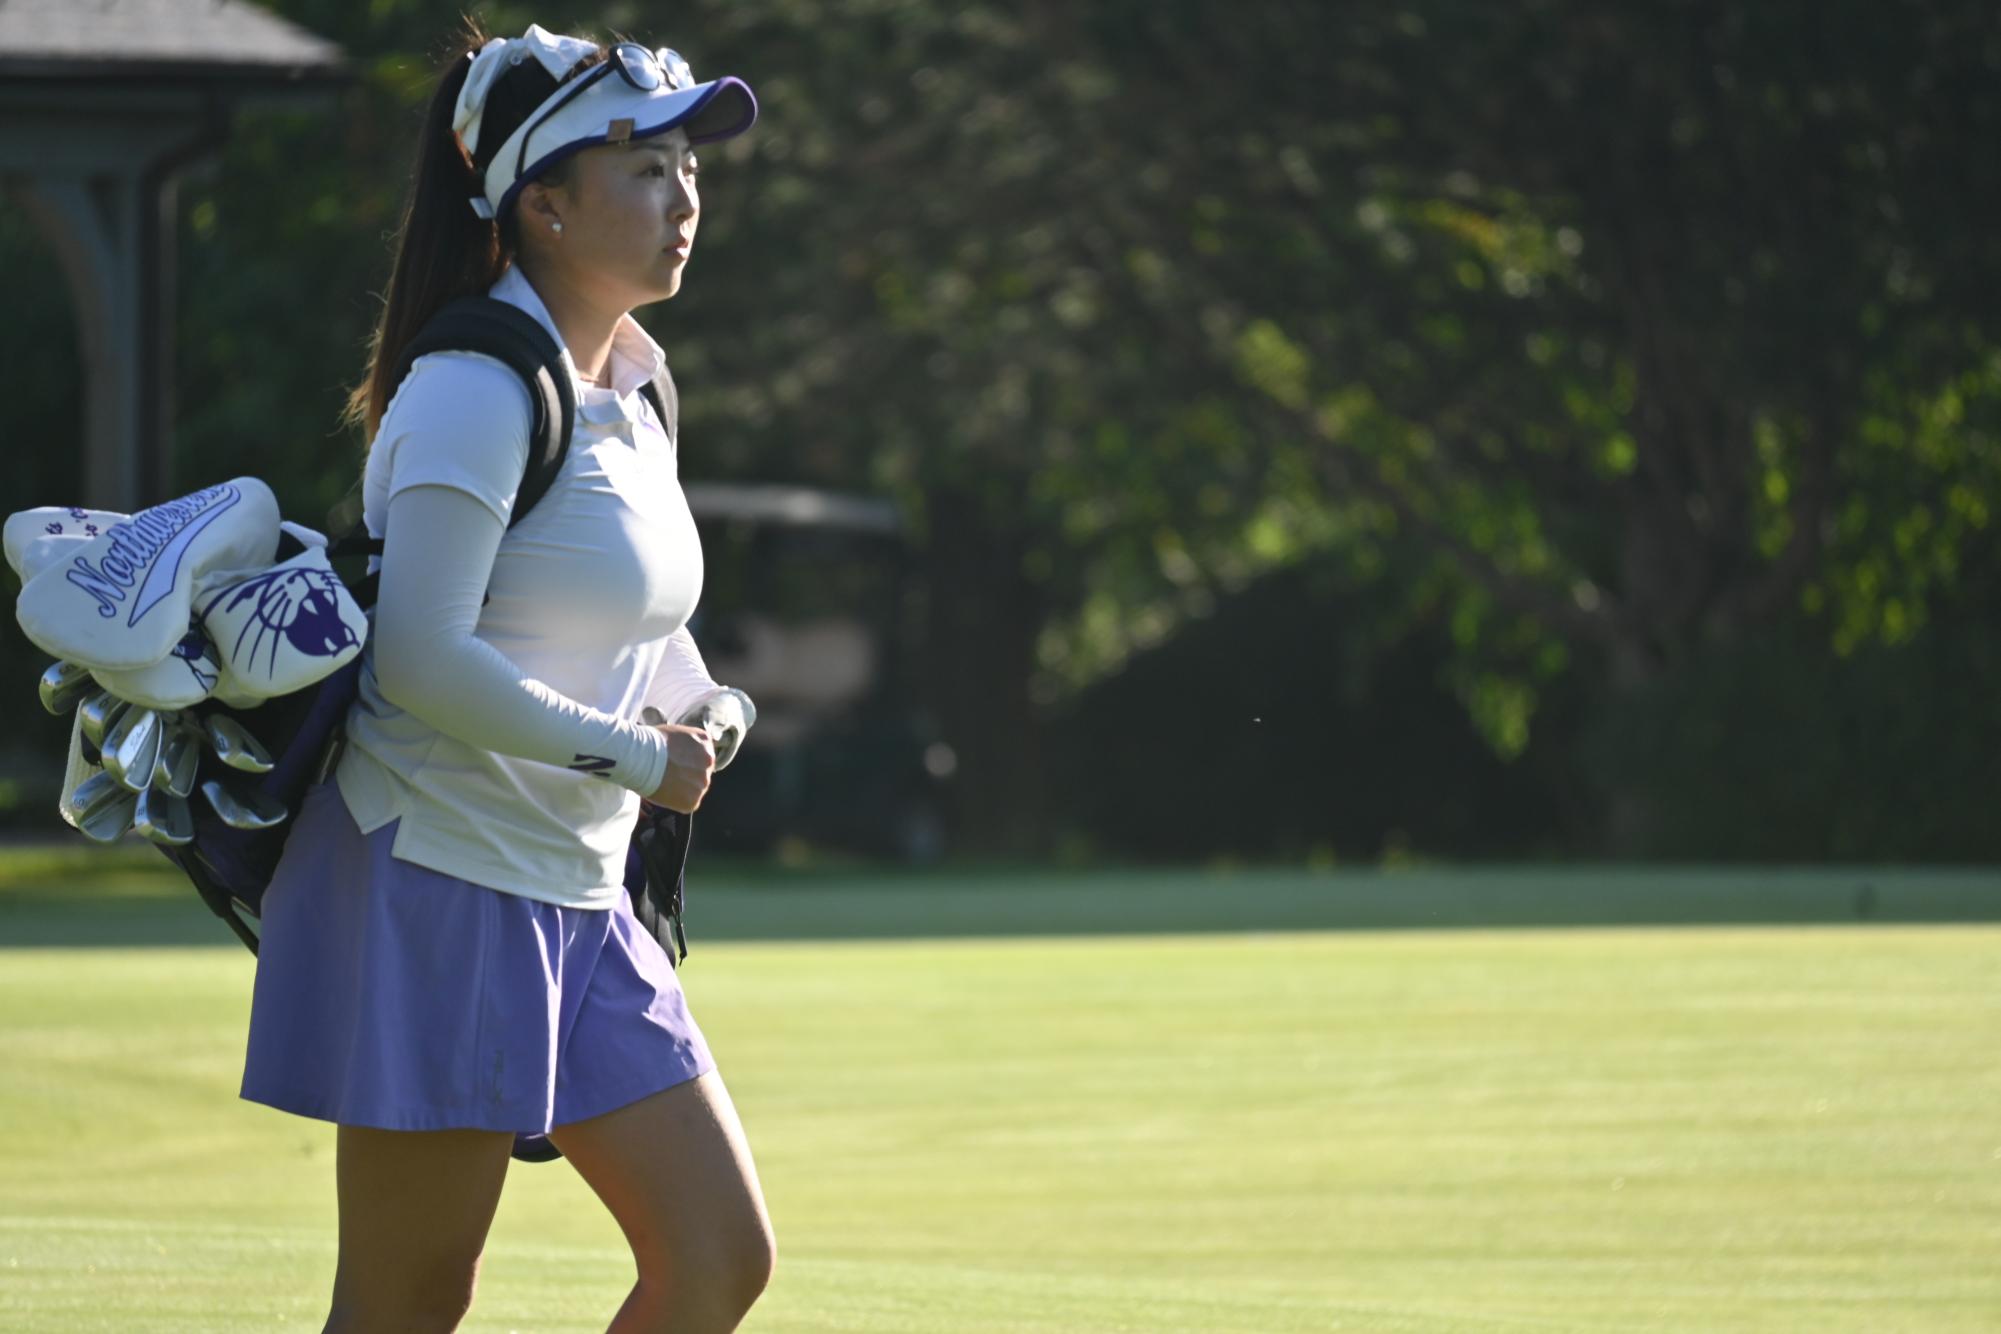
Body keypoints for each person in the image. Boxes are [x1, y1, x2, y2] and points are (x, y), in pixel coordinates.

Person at [237, 20, 775, 1332]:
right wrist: (645, 759)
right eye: (643, 167)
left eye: (687, 168)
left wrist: (711, 705)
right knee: (409, 1300)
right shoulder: (475, 385)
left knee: (716, 1259)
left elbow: (649, 631)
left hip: (582, 900)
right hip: (437, 881)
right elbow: (420, 659)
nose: (683, 195)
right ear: (540, 201)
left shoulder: (636, 387)